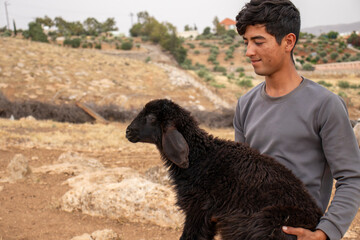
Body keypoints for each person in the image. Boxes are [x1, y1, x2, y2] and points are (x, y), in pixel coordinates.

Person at [233, 0, 360, 239]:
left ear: (288, 42)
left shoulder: (326, 105)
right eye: (246, 42)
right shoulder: (245, 105)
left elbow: (352, 178)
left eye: (258, 42)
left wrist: (324, 233)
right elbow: (242, 178)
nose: (249, 51)